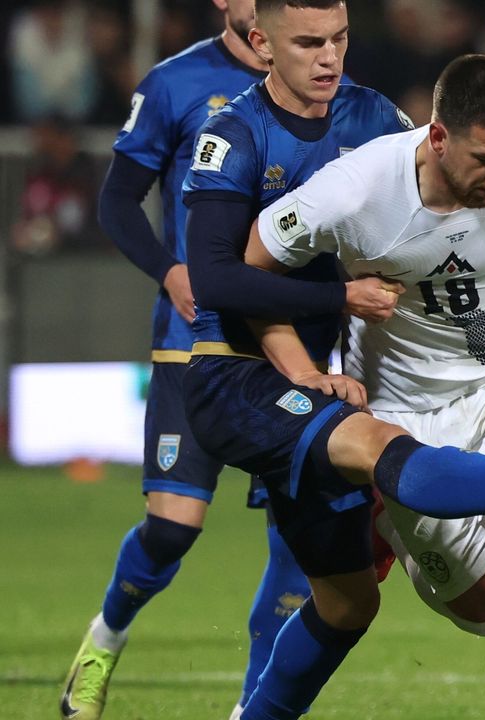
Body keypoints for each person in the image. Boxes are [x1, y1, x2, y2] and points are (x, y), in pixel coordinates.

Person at [179, 4, 485, 719]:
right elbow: (240, 273)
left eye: (339, 39)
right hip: (399, 403)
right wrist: (310, 351)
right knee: (483, 613)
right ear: (438, 138)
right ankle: (418, 514)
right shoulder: (353, 188)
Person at [60, 3, 307, 718]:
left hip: (296, 343)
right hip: (193, 340)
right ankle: (105, 639)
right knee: (171, 528)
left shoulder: (332, 91)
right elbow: (117, 201)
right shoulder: (176, 83)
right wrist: (169, 271)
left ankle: (252, 709)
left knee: (299, 544)